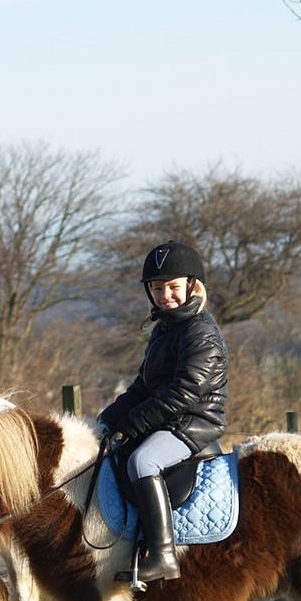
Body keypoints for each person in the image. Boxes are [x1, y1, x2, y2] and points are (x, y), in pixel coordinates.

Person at [96, 241, 228, 583]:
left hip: (194, 422)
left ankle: (163, 556)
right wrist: (106, 420)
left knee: (143, 462)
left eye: (172, 287)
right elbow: (142, 387)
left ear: (192, 287)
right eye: (157, 288)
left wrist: (134, 424)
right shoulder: (164, 330)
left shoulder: (201, 332)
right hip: (168, 419)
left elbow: (183, 393)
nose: (164, 295)